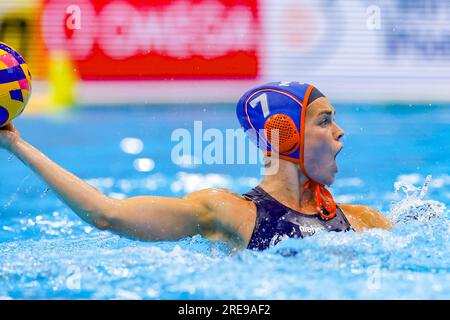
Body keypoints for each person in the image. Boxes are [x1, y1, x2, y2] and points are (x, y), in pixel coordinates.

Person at [0, 82, 392, 251]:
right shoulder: (230, 213)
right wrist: (14, 143)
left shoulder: (363, 220)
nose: (341, 132)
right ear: (283, 135)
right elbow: (108, 215)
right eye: (324, 120)